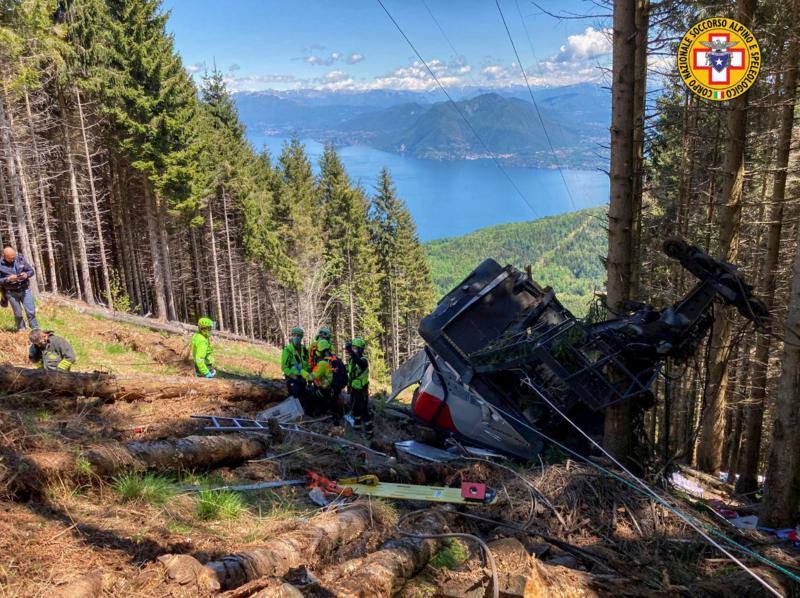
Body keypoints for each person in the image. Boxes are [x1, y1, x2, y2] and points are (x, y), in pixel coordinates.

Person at [0, 246, 38, 331]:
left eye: (14, 257)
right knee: (18, 314)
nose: (13, 260)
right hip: (11, 292)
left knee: (30, 312)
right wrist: (8, 279)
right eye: (10, 258)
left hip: (25, 290)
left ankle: (35, 329)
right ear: (4, 257)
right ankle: (21, 331)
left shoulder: (20, 259)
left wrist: (26, 275)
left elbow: (31, 271)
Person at [309, 339, 346, 420]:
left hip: (328, 389)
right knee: (333, 403)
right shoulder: (335, 358)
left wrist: (302, 372)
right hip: (336, 387)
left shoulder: (323, 362)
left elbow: (313, 376)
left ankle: (321, 416)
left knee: (313, 397)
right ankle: (335, 416)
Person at [346, 337, 372, 437]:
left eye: (356, 348)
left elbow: (360, 363)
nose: (354, 350)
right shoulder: (351, 361)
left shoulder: (363, 360)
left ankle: (369, 433)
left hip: (362, 390)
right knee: (355, 409)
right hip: (353, 389)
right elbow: (350, 373)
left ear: (361, 349)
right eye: (353, 348)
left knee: (364, 410)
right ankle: (357, 429)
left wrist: (350, 351)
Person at [281, 326, 310, 399]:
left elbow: (307, 364)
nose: (296, 337)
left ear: (301, 337)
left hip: (303, 379)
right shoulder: (288, 350)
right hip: (293, 379)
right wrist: (294, 378)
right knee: (295, 398)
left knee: (305, 398)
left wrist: (309, 377)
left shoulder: (304, 349)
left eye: (298, 336)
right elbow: (284, 367)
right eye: (294, 335)